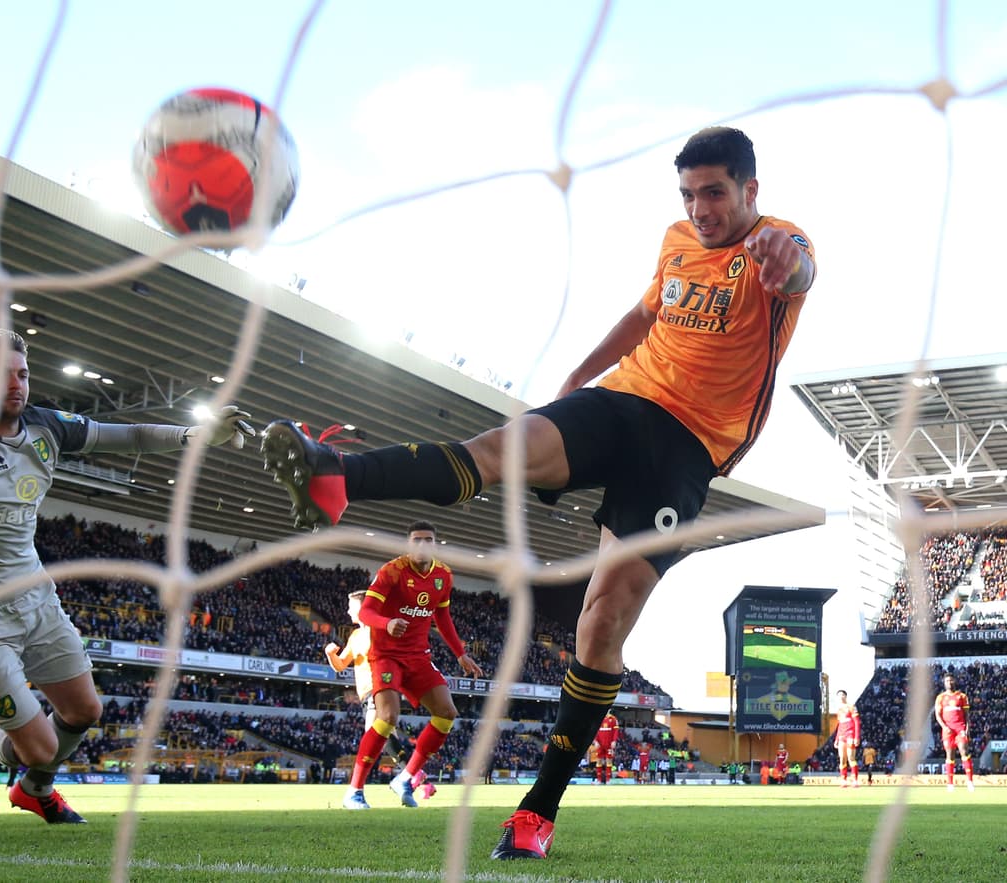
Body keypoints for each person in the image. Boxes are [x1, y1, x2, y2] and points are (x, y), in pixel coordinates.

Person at [259, 126, 815, 859]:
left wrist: (790, 260)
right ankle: (335, 477)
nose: (701, 208)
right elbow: (647, 314)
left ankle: (537, 812)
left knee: (602, 621)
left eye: (714, 192)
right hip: (622, 401)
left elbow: (801, 271)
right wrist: (575, 381)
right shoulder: (676, 239)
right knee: (498, 449)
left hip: (686, 446)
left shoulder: (778, 242)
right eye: (688, 193)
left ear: (750, 190)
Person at [0, 328, 255, 824]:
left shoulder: (44, 427)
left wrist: (193, 436)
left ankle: (33, 791)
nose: (15, 384)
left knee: (85, 711)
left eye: (21, 374)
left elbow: (124, 435)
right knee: (39, 748)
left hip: (33, 598)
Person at [337, 521, 482, 810]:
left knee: (446, 712)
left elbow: (443, 617)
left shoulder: (443, 575)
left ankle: (404, 778)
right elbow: (366, 610)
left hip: (418, 656)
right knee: (388, 717)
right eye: (416, 540)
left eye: (428, 539)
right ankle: (354, 792)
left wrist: (460, 653)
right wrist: (387, 623)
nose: (422, 545)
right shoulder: (392, 571)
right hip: (386, 655)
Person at [322, 590, 412, 788]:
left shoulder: (379, 632)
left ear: (363, 608)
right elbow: (340, 665)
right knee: (387, 736)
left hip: (379, 688)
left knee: (373, 732)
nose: (347, 611)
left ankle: (357, 787)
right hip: (367, 694)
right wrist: (331, 655)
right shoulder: (356, 636)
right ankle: (413, 773)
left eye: (351, 607)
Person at [934, 672, 974, 792]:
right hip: (948, 730)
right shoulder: (940, 697)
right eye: (947, 681)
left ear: (954, 681)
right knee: (949, 755)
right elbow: (937, 715)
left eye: (951, 680)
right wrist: (944, 727)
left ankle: (970, 782)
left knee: (964, 751)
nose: (949, 683)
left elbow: (967, 715)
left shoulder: (962, 696)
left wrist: (967, 728)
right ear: (944, 683)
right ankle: (950, 784)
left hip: (960, 728)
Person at [834, 689, 861, 788]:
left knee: (851, 758)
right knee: (842, 759)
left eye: (842, 695)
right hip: (842, 736)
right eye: (839, 695)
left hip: (850, 735)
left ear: (845, 696)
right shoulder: (838, 710)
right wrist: (836, 739)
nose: (841, 697)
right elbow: (839, 725)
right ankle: (844, 780)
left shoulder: (851, 707)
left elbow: (856, 722)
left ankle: (855, 780)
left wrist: (856, 736)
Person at [592, 712, 619, 784]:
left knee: (609, 761)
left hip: (609, 744)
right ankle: (599, 780)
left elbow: (616, 731)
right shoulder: (598, 718)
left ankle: (608, 780)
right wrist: (595, 741)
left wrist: (614, 741)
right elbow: (593, 730)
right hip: (599, 744)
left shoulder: (613, 719)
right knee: (599, 761)